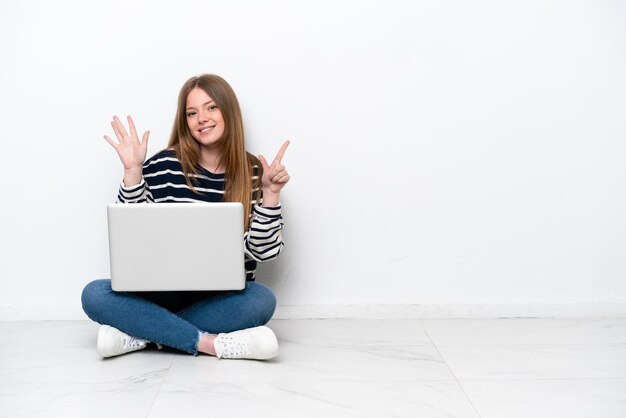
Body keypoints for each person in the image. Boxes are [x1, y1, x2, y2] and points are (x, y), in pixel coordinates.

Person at [81, 74, 290, 360]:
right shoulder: (163, 165)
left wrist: (270, 195)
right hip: (158, 294)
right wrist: (132, 173)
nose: (201, 118)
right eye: (192, 113)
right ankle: (210, 344)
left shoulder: (255, 171)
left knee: (261, 300)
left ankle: (142, 333)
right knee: (94, 294)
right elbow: (133, 234)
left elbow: (263, 252)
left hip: (219, 299)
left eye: (211, 107)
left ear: (228, 111)